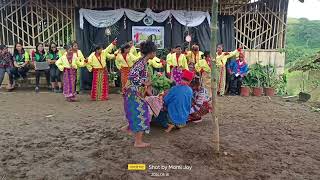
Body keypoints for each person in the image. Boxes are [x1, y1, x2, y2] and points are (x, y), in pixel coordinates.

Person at [123, 41, 157, 148]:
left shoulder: (142, 62)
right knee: (142, 114)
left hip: (133, 92)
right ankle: (138, 142)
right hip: (134, 92)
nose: (155, 54)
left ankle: (128, 128)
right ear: (151, 53)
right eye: (154, 52)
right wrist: (144, 83)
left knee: (136, 111)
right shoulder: (141, 63)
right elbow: (133, 76)